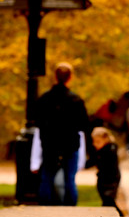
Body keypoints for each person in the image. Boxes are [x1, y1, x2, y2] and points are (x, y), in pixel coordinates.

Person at [33, 62, 89, 206]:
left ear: (55, 76)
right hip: (70, 144)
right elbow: (83, 124)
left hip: (49, 144)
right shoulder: (76, 100)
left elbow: (38, 122)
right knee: (70, 178)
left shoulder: (44, 99)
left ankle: (44, 205)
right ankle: (70, 207)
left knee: (47, 177)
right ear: (70, 77)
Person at [90, 127, 123, 216]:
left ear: (105, 139)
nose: (95, 144)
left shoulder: (110, 149)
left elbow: (109, 165)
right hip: (102, 178)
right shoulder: (100, 151)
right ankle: (109, 215)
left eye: (98, 142)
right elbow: (93, 161)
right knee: (106, 200)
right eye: (94, 142)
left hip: (111, 179)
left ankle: (119, 215)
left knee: (109, 200)